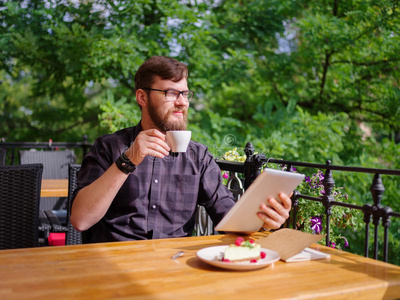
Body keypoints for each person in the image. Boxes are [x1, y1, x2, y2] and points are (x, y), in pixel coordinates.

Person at [71, 56, 291, 242]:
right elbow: (80, 219)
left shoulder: (199, 157)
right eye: (170, 93)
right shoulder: (109, 147)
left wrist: (264, 222)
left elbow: (227, 218)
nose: (182, 102)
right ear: (142, 97)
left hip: (173, 267)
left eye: (185, 94)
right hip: (113, 266)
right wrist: (127, 161)